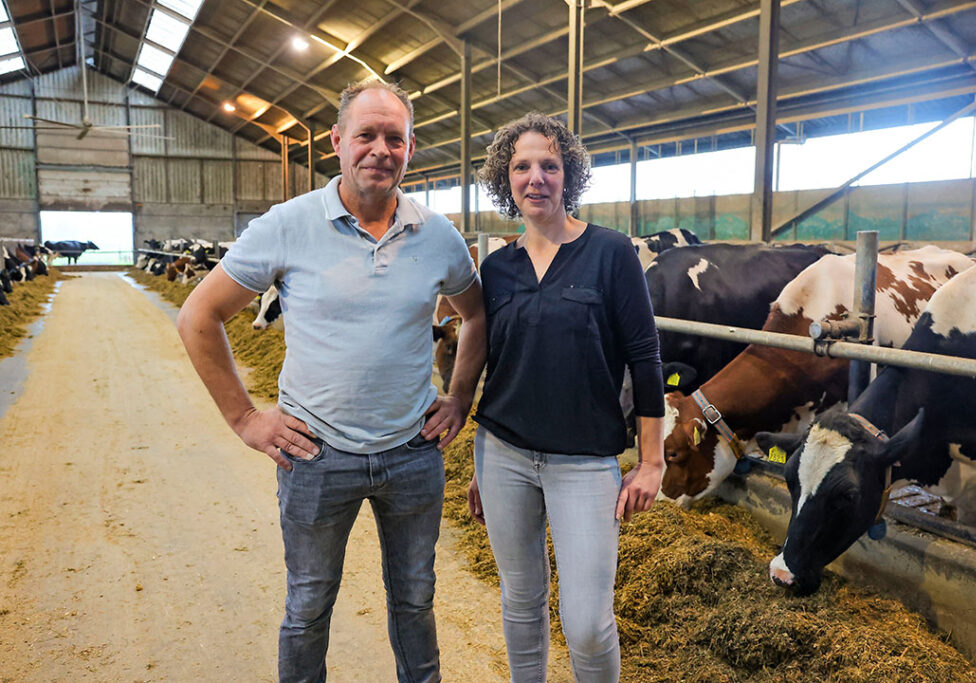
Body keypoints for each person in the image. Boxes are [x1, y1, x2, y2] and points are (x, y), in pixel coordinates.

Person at [176, 80, 486, 683]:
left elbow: (474, 315)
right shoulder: (286, 225)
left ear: (410, 148)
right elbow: (197, 316)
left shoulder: (439, 236)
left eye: (393, 138)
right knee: (309, 605)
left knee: (415, 601)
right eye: (365, 135)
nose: (380, 149)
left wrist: (460, 398)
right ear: (338, 143)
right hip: (315, 455)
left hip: (412, 453)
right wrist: (244, 417)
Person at [467, 112, 665, 681]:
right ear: (505, 180)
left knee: (586, 622)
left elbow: (646, 358)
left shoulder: (610, 253)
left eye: (549, 165)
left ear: (568, 175)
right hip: (502, 454)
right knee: (521, 602)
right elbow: (496, 363)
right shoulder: (498, 268)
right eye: (521, 166)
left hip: (583, 463)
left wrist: (652, 461)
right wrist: (482, 462)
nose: (536, 177)